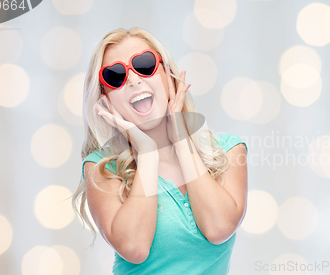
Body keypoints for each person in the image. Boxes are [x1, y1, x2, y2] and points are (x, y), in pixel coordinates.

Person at [71, 27, 249, 274]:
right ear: (105, 100)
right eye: (115, 76)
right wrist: (146, 152)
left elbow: (218, 228)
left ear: (168, 75)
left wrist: (181, 141)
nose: (133, 79)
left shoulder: (227, 151)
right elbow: (134, 247)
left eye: (144, 64)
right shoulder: (102, 168)